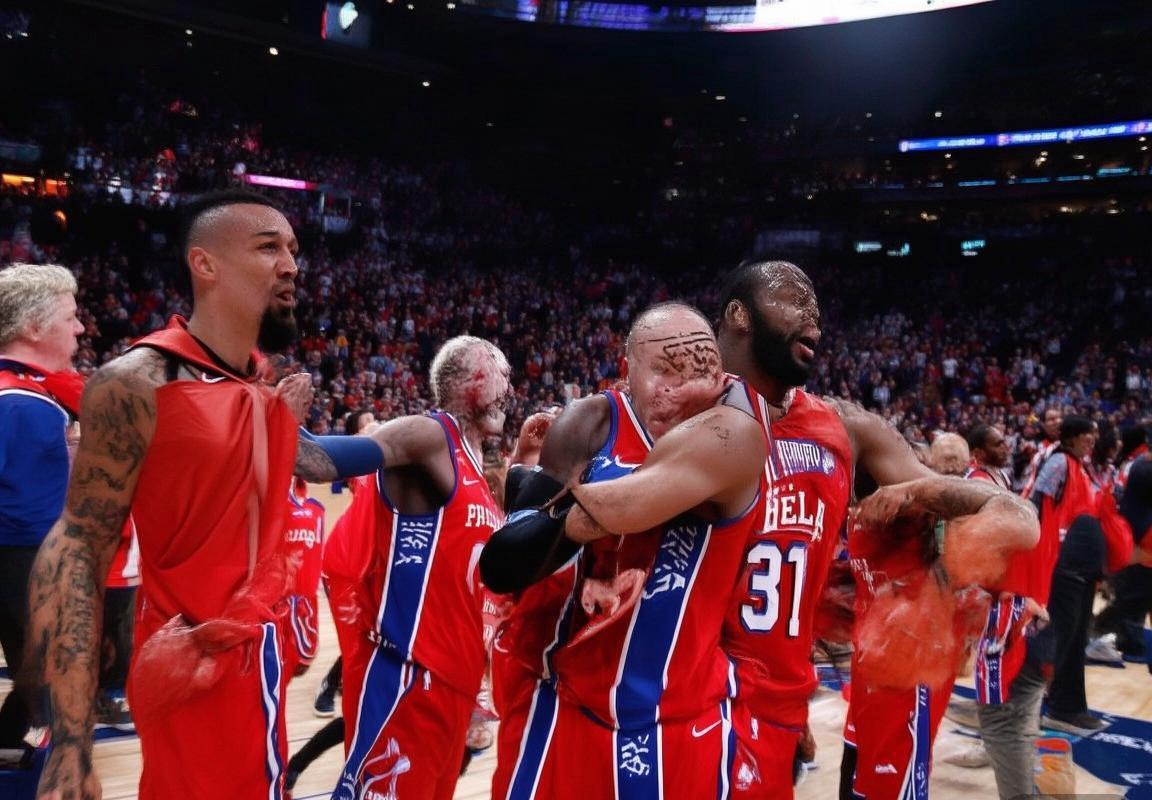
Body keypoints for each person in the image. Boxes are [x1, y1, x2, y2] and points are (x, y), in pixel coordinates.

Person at [710, 260, 1037, 800]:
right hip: (681, 698)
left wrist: (915, 493)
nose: (813, 320)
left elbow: (1016, 519)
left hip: (779, 703)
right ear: (738, 315)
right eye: (795, 300)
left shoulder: (843, 425)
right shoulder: (675, 412)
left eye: (817, 309)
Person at [29, 191, 315, 800]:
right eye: (268, 247)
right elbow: (77, 548)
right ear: (205, 264)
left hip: (262, 662)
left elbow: (311, 462)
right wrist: (71, 743)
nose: (291, 264)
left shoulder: (258, 377)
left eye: (292, 249)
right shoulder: (137, 382)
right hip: (189, 664)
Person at [481, 302, 766, 800]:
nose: (683, 387)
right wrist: (547, 498)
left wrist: (581, 501)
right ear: (627, 371)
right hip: (567, 706)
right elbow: (505, 561)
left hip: (678, 719)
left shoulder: (732, 430)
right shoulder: (591, 421)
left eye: (701, 368)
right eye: (667, 370)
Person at [320, 335, 511, 800]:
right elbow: (321, 461)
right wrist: (269, 414)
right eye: (499, 375)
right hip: (409, 678)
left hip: (452, 686)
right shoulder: (429, 435)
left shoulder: (476, 469)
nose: (509, 389)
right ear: (464, 382)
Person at [0, 263, 84, 768]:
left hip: (34, 562)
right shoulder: (14, 401)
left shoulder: (34, 392)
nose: (80, 328)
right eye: (70, 317)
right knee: (52, 701)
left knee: (40, 692)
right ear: (33, 327)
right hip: (23, 565)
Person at [965, 423, 1012, 490]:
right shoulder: (978, 481)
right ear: (978, 453)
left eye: (1004, 442)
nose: (1006, 448)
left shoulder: (1002, 475)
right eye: (998, 445)